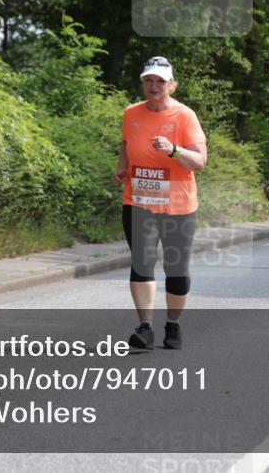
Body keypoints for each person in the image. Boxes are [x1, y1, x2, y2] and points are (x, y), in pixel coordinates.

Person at [112, 56, 207, 350]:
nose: (154, 86)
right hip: (138, 201)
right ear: (143, 83)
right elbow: (126, 142)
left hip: (178, 206)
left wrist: (174, 149)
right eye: (148, 80)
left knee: (176, 270)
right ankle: (145, 327)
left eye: (160, 81)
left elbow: (200, 162)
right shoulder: (131, 113)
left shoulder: (184, 116)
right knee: (141, 263)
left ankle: (173, 324)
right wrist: (122, 164)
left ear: (171, 84)